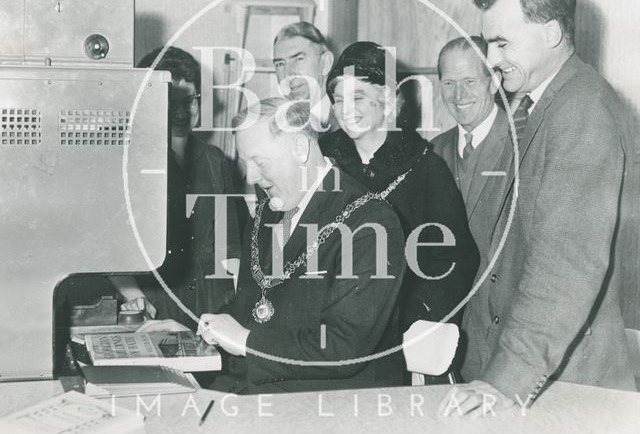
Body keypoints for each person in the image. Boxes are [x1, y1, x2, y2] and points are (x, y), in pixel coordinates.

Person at [440, 0, 635, 417]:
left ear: (550, 33)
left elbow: (566, 266)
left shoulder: (581, 112)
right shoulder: (539, 107)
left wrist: (503, 382)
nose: (489, 58)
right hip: (533, 381)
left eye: (502, 42)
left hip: (568, 392)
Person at [197, 97, 406, 393]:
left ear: (300, 148)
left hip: (336, 408)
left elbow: (343, 347)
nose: (251, 177)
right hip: (264, 393)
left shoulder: (370, 223)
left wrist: (245, 342)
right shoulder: (267, 211)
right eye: (246, 163)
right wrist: (199, 334)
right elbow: (253, 305)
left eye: (259, 161)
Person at [321, 41, 479, 337]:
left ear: (389, 101)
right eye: (338, 99)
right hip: (327, 327)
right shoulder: (321, 161)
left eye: (358, 97)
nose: (346, 110)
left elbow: (452, 263)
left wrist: (416, 321)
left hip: (396, 331)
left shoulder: (424, 168)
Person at [111, 46, 242, 329]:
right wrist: (136, 299)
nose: (182, 113)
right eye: (172, 102)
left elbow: (229, 246)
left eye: (190, 100)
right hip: (154, 305)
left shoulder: (215, 161)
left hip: (215, 307)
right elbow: (111, 249)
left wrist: (241, 306)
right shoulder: (126, 163)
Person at [431, 36, 510, 379]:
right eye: (449, 83)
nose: (458, 95)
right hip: (449, 337)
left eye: (469, 82)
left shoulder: (524, 144)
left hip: (505, 336)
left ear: (493, 82)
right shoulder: (433, 151)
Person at [273, 21, 338, 133]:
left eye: (299, 59)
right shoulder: (277, 126)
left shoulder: (348, 121)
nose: (288, 74)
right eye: (280, 64)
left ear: (326, 63)